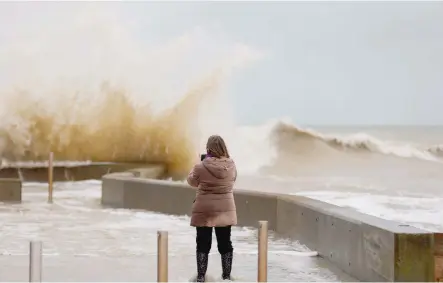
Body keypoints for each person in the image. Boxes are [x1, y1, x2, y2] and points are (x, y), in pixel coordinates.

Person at [187, 135, 238, 282]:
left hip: (205, 209)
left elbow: (191, 181)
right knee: (225, 242)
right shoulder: (232, 165)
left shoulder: (201, 166)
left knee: (203, 243)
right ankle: (227, 276)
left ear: (208, 149)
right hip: (225, 208)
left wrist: (197, 165)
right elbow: (233, 179)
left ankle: (201, 277)